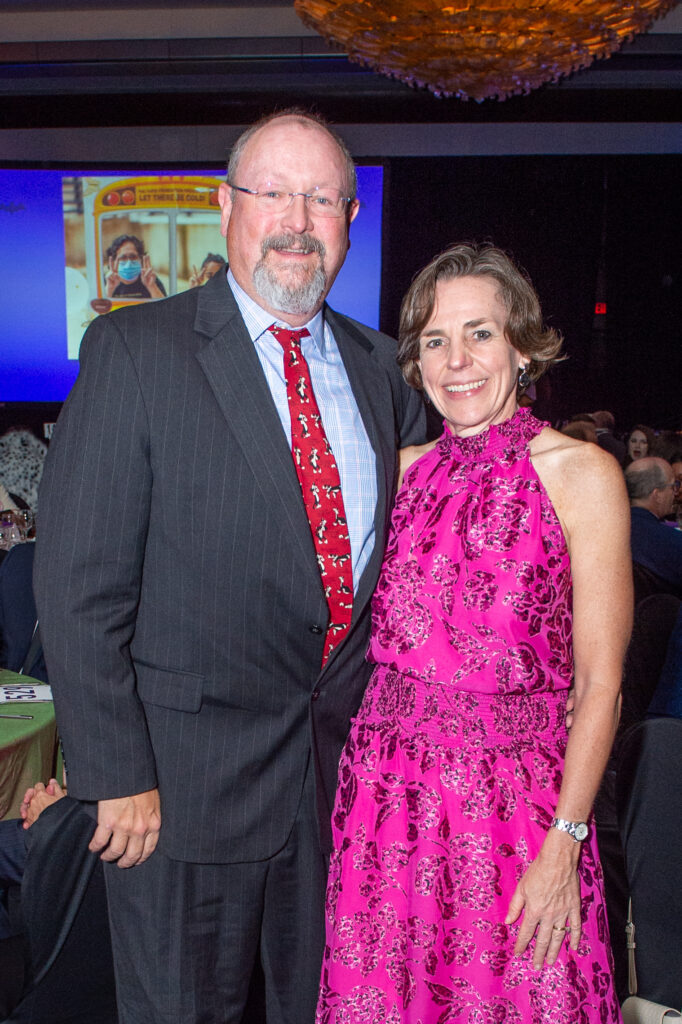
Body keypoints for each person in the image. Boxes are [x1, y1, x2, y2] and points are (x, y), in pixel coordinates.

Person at [33, 109, 425, 1024]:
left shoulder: (382, 370)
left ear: (351, 219)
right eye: (275, 193)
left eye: (323, 198)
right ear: (225, 208)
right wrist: (113, 771)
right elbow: (79, 585)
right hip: (177, 795)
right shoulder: (136, 350)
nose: (298, 219)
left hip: (339, 793)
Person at [316, 244, 631, 1022]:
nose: (457, 360)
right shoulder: (395, 475)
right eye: (434, 341)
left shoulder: (580, 474)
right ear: (415, 364)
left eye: (480, 333)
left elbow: (601, 685)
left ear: (522, 347)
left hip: (520, 814)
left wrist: (566, 839)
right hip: (386, 807)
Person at [625, 456, 682, 592]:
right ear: (657, 495)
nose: (676, 493)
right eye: (673, 486)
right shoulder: (672, 542)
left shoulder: (608, 532)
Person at [104, 234, 167, 300]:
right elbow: (97, 309)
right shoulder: (107, 281)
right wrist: (109, 289)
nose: (129, 263)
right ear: (113, 261)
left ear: (141, 259)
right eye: (123, 258)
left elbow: (165, 308)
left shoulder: (150, 279)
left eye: (133, 257)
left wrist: (151, 286)